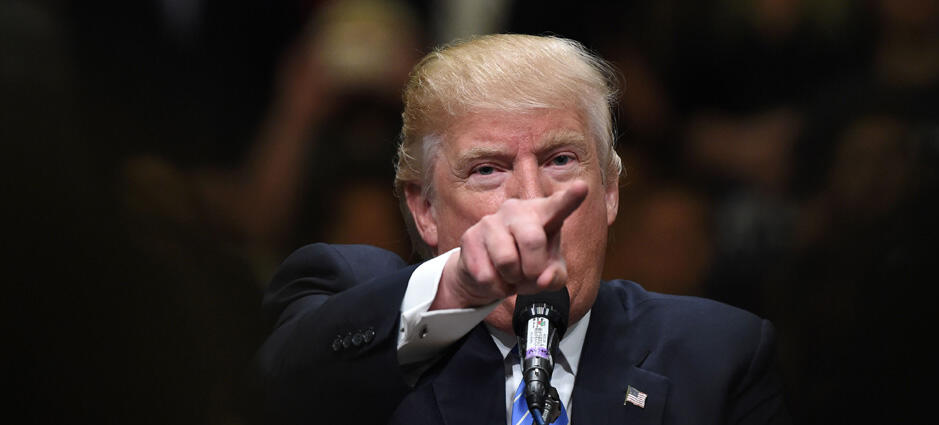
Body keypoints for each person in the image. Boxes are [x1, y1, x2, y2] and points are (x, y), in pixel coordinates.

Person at [257, 34, 789, 424]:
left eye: (560, 160)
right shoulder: (348, 293)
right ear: (423, 209)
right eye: (487, 169)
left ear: (609, 191)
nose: (531, 202)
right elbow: (275, 394)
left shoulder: (719, 355)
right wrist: (460, 287)